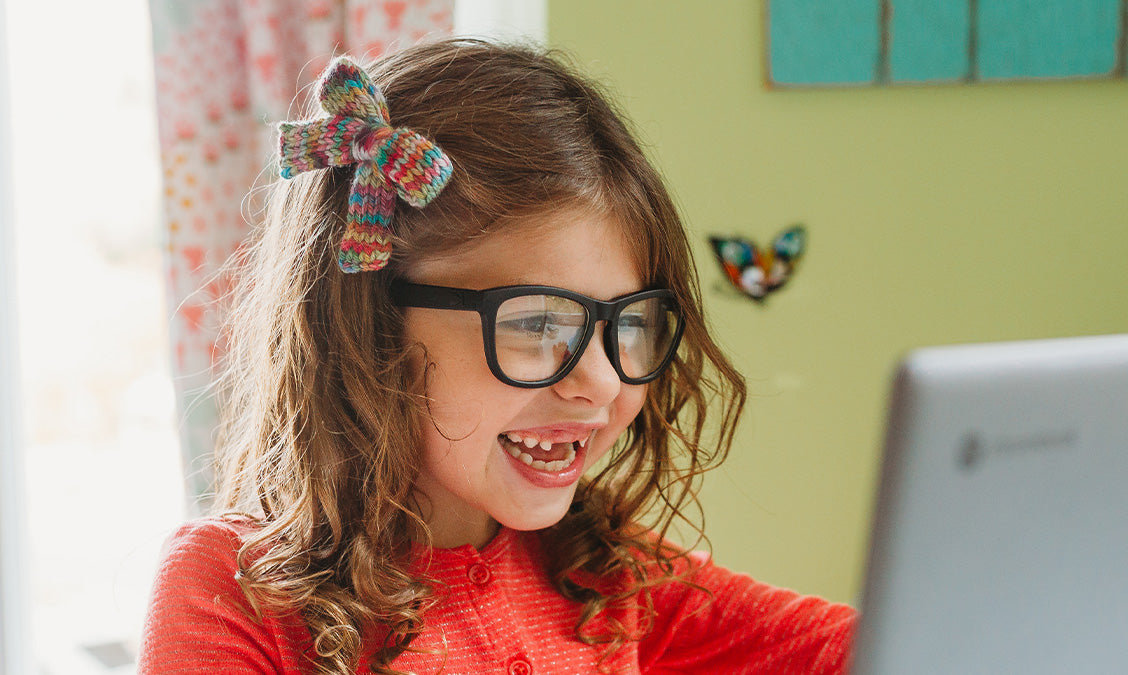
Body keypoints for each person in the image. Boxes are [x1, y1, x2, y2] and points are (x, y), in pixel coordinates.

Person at [138, 38, 855, 675]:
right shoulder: (233, 592)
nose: (601, 380)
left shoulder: (603, 572)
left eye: (628, 323)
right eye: (540, 322)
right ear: (370, 326)